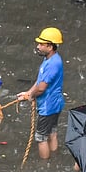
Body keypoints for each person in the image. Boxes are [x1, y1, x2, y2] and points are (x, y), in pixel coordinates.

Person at [17, 27, 65, 160]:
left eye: (41, 44)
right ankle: (55, 157)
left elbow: (41, 88)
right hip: (56, 103)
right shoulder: (50, 59)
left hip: (48, 106)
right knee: (52, 132)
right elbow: (39, 82)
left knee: (41, 137)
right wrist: (28, 93)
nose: (38, 46)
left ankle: (45, 165)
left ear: (50, 46)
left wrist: (31, 96)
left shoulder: (52, 64)